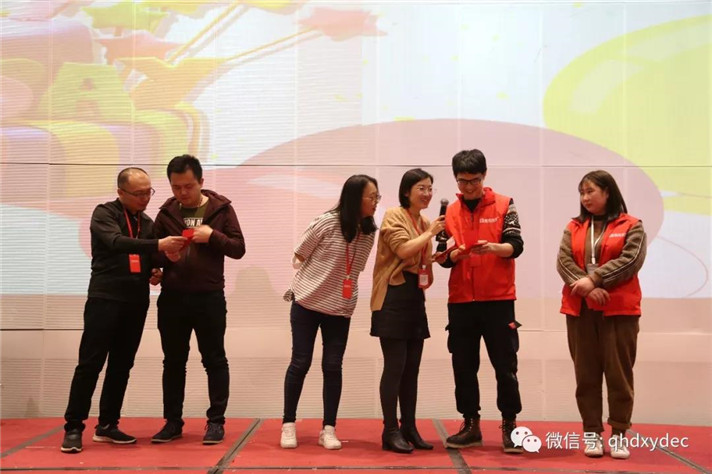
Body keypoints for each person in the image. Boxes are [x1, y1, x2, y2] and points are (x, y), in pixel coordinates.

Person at [61, 168, 186, 453]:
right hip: (105, 298)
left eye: (148, 192)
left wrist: (157, 267)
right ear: (120, 192)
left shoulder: (147, 223)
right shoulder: (104, 213)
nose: (145, 198)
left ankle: (107, 424)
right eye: (139, 193)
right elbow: (116, 242)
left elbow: (147, 256)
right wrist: (158, 244)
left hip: (136, 301)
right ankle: (73, 427)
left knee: (121, 365)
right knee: (90, 363)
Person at [151, 154, 246, 445]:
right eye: (176, 187)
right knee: (173, 362)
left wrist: (212, 236)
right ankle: (172, 422)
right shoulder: (166, 213)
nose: (182, 192)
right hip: (172, 298)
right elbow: (152, 253)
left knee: (214, 359)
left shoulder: (221, 209)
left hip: (209, 297)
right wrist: (161, 262)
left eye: (188, 186)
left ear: (201, 181)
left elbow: (238, 248)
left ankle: (216, 422)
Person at [280, 175, 380, 450]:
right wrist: (319, 275)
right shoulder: (326, 222)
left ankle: (329, 429)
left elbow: (356, 269)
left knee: (333, 367)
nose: (375, 202)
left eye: (377, 197)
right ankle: (288, 424)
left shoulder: (369, 232)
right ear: (355, 197)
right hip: (306, 303)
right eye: (371, 196)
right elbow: (299, 255)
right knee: (300, 362)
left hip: (339, 307)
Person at [437, 149, 525, 454]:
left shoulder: (504, 204)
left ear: (484, 175)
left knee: (505, 365)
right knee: (463, 365)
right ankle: (470, 424)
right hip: (461, 300)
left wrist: (493, 248)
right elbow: (443, 257)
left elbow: (516, 246)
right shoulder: (450, 211)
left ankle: (509, 425)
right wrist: (453, 255)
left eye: (474, 180)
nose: (469, 187)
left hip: (498, 299)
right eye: (462, 181)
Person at [556, 170, 646, 460]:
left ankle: (619, 433)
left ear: (608, 192)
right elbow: (563, 261)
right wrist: (586, 288)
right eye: (582, 193)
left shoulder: (631, 225)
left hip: (618, 311)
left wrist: (595, 280)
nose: (585, 198)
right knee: (586, 375)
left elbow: (631, 260)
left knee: (619, 375)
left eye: (590, 191)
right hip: (581, 311)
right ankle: (591, 432)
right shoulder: (574, 226)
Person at [370, 168, 445, 454]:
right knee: (395, 366)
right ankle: (390, 430)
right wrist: (430, 233)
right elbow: (403, 250)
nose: (427, 194)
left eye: (430, 188)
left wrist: (441, 256)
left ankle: (409, 427)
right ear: (406, 192)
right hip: (392, 295)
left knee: (412, 369)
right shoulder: (393, 215)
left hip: (414, 295)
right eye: (421, 188)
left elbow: (420, 259)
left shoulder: (424, 221)